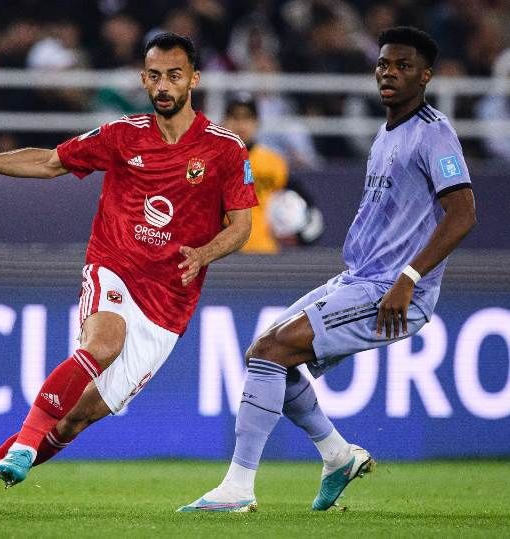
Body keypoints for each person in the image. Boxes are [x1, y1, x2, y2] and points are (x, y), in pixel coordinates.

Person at [0, 32, 258, 514]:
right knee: (103, 343)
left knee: (75, 419)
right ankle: (23, 446)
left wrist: (204, 254)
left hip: (169, 306)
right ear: (143, 79)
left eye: (174, 75)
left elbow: (241, 226)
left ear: (194, 80)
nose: (163, 86)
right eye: (154, 76)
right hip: (114, 267)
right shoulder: (120, 135)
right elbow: (48, 162)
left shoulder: (225, 149)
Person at [179, 26, 476, 513]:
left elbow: (463, 213)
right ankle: (338, 456)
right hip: (360, 278)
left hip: (391, 289)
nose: (389, 73)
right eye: (383, 64)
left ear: (426, 76)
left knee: (271, 351)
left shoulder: (434, 132)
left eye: (403, 66)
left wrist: (409, 279)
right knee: (265, 354)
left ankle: (237, 488)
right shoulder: (387, 132)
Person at [222, 98, 289, 254]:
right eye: (235, 117)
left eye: (247, 118)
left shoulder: (274, 162)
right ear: (224, 122)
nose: (241, 124)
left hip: (267, 250)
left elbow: (290, 204)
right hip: (226, 254)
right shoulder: (211, 162)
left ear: (257, 122)